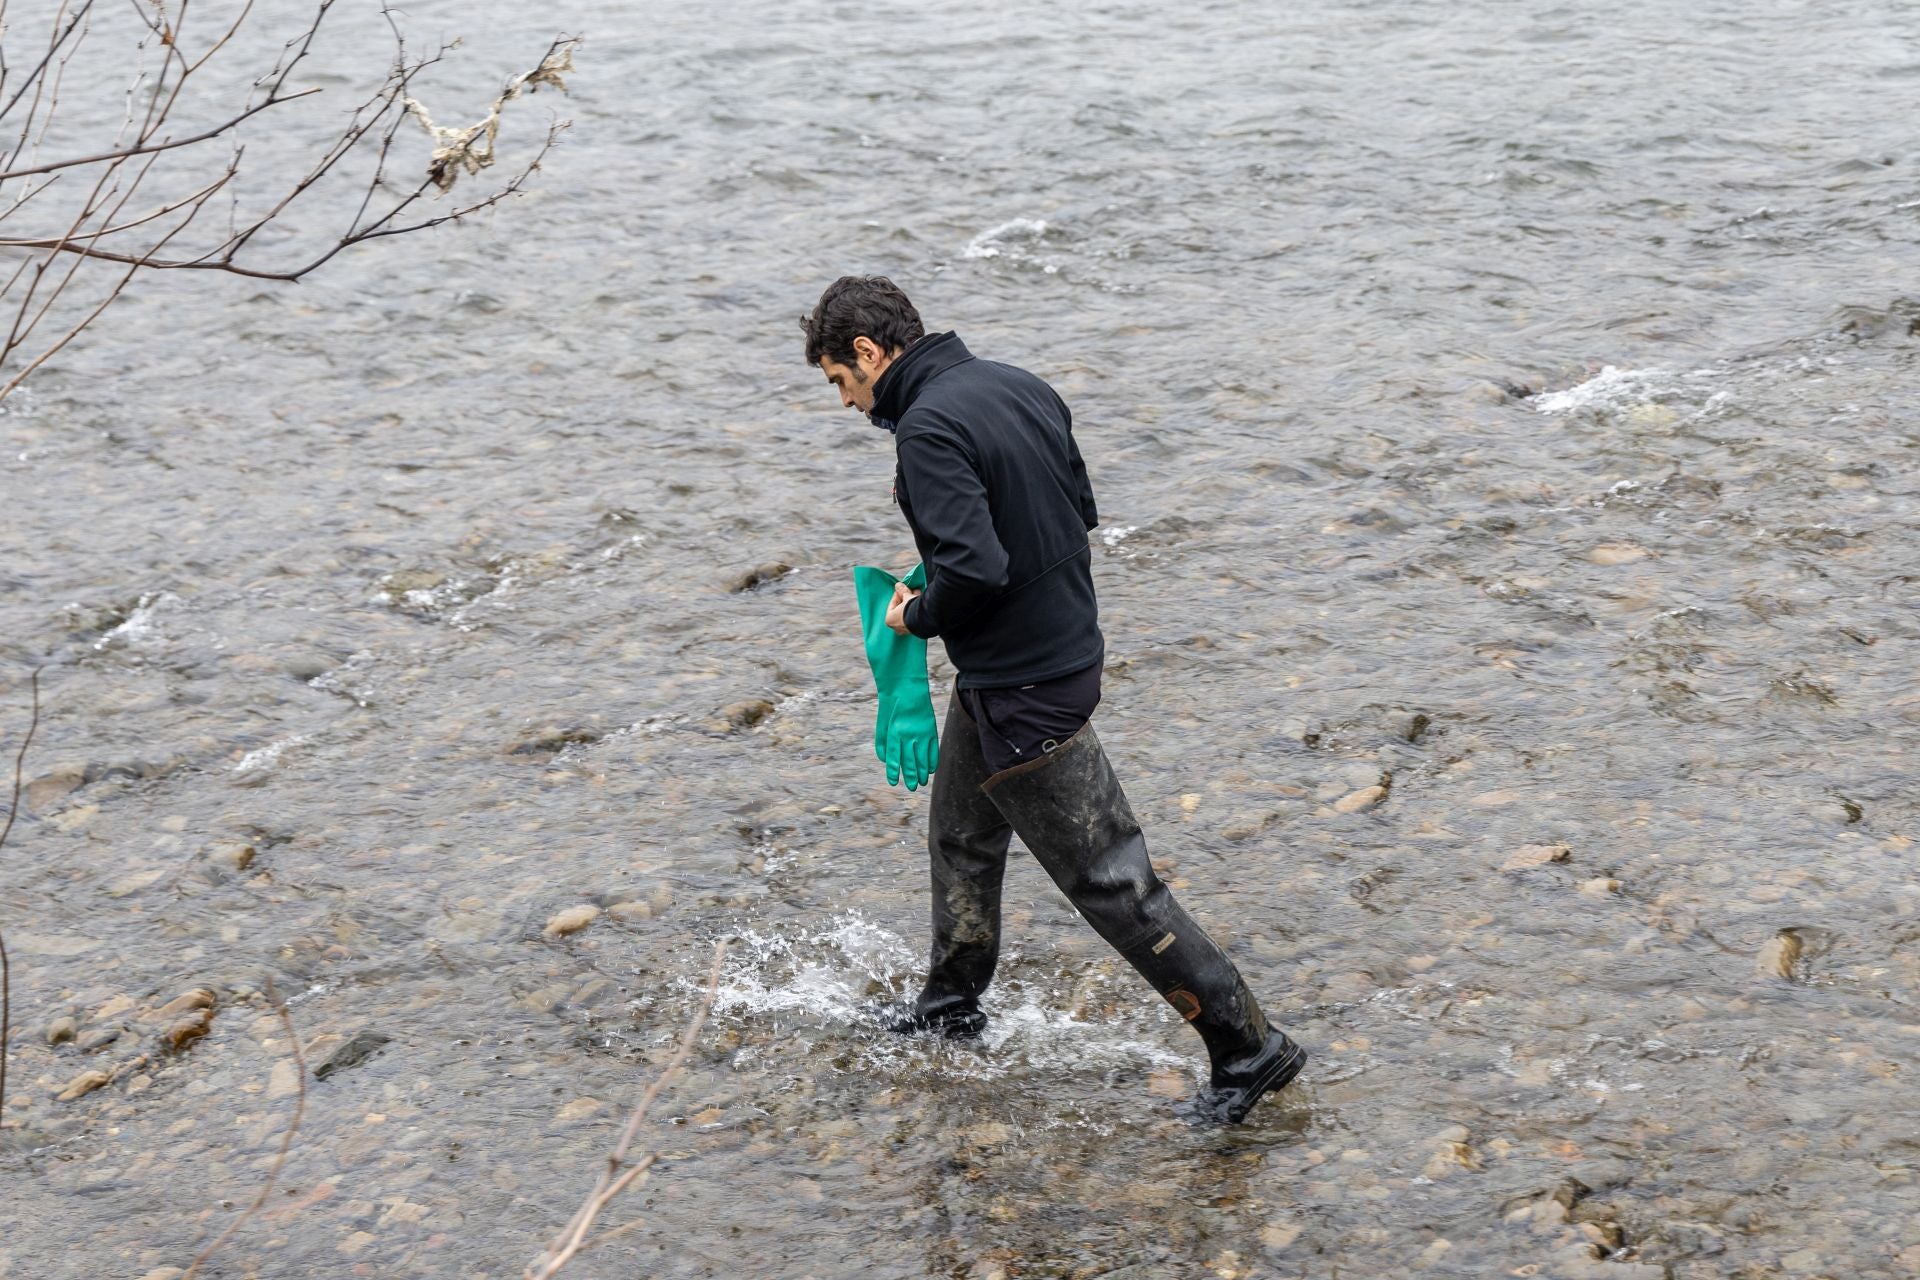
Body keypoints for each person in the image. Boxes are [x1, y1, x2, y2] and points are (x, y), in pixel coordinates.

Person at [800, 275, 1307, 1123]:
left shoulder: (925, 429)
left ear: (867, 351)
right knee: (962, 836)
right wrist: (961, 584)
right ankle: (950, 1007)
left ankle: (1248, 1046)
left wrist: (915, 613)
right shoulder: (1018, 384)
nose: (847, 404)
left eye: (840, 384)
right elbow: (1074, 512)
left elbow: (979, 569)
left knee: (1115, 884)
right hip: (1052, 654)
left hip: (1024, 687)